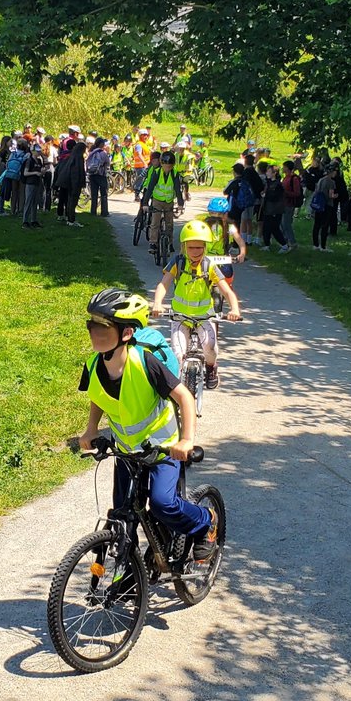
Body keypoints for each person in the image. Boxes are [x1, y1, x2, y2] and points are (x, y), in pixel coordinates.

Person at [77, 288, 218, 562]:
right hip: (127, 450)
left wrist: (186, 441)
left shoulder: (145, 362)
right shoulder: (93, 364)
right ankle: (131, 573)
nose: (95, 332)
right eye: (91, 325)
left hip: (163, 447)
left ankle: (204, 523)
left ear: (126, 334)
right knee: (122, 515)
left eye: (103, 327)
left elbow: (185, 398)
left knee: (163, 504)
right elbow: (98, 396)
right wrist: (91, 429)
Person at [152, 221, 242, 390]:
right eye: (191, 247)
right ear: (184, 246)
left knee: (210, 347)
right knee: (177, 355)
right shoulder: (177, 263)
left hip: (204, 316)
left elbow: (227, 292)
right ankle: (178, 390)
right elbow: (163, 285)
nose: (195, 252)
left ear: (205, 247)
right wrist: (157, 303)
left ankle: (211, 368)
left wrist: (234, 309)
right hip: (180, 316)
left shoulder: (210, 266)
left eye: (199, 247)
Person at [141, 151, 185, 257]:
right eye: (165, 166)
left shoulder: (174, 173)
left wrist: (180, 204)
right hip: (157, 200)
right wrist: (145, 203)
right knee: (155, 222)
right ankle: (153, 243)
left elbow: (177, 189)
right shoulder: (156, 173)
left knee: (169, 223)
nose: (167, 169)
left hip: (169, 201)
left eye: (169, 167)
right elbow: (150, 188)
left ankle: (169, 243)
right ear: (161, 164)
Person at [55, 127, 86, 227]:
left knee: (65, 199)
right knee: (72, 200)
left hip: (64, 177)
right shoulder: (77, 157)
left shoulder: (66, 148)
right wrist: (77, 184)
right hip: (72, 182)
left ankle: (65, 216)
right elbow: (76, 172)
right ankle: (71, 219)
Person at [258, 165, 289, 252]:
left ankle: (284, 245)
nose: (267, 173)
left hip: (275, 210)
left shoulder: (278, 184)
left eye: (269, 172)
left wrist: (266, 195)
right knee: (266, 227)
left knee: (274, 228)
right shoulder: (268, 182)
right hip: (268, 209)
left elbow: (276, 197)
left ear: (274, 173)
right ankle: (267, 245)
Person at [311, 164, 338, 251]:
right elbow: (331, 195)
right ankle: (323, 246)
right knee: (325, 226)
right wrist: (336, 195)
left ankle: (315, 245)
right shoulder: (331, 182)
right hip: (327, 205)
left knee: (316, 225)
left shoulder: (321, 180)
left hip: (319, 205)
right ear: (332, 172)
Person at [21, 141, 46, 228]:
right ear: (32, 151)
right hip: (30, 183)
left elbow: (40, 171)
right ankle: (25, 221)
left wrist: (42, 172)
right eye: (37, 151)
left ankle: (34, 220)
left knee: (35, 202)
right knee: (28, 201)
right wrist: (35, 172)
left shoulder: (39, 160)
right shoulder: (29, 161)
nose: (39, 152)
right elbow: (25, 173)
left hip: (37, 182)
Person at [86, 136, 111, 217]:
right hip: (101, 175)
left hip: (92, 175)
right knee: (103, 194)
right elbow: (107, 163)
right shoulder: (103, 153)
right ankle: (104, 212)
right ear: (101, 144)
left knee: (94, 194)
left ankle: (93, 212)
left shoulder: (91, 153)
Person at [281, 160, 303, 249]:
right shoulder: (286, 177)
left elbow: (297, 193)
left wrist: (285, 193)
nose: (283, 168)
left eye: (284, 166)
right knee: (282, 224)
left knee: (286, 223)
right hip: (283, 203)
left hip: (289, 204)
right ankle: (286, 240)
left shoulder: (294, 178)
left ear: (287, 168)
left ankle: (292, 242)